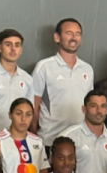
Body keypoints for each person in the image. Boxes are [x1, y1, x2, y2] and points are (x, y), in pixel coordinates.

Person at [31, 18, 94, 148]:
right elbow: (33, 105)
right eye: (69, 33)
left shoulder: (87, 69)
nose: (74, 38)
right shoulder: (44, 67)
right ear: (57, 37)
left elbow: (89, 106)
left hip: (80, 142)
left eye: (77, 34)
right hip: (50, 141)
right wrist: (34, 134)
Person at [0, 98, 49, 173]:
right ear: (10, 115)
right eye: (19, 113)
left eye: (28, 114)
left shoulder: (37, 141)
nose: (23, 119)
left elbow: (43, 171)